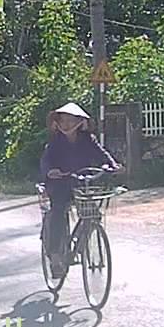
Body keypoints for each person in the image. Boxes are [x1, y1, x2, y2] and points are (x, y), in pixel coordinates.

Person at [39, 102, 120, 277]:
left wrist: (112, 165)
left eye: (70, 120)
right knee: (58, 211)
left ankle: (80, 246)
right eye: (63, 120)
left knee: (93, 215)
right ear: (57, 123)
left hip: (82, 183)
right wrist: (51, 171)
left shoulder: (87, 139)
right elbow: (46, 161)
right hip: (60, 185)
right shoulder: (55, 142)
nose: (66, 124)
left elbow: (102, 154)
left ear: (79, 122)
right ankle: (55, 255)